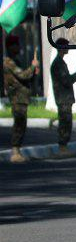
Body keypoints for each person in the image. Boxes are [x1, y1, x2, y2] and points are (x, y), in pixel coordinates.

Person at [3, 34, 39, 163]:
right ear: (10, 47)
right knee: (19, 124)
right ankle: (15, 151)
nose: (18, 47)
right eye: (16, 45)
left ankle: (17, 150)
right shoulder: (8, 62)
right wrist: (33, 66)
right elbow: (23, 75)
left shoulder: (16, 60)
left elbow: (27, 77)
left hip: (22, 97)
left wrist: (34, 71)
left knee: (22, 124)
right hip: (17, 98)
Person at [50, 38, 76, 156]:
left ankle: (64, 146)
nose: (68, 48)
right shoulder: (58, 63)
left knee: (67, 122)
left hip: (65, 98)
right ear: (61, 48)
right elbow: (66, 80)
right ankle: (62, 146)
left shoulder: (60, 62)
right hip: (63, 98)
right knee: (65, 122)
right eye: (66, 46)